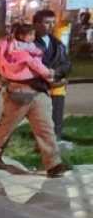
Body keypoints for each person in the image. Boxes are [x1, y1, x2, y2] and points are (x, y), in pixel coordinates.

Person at [0, 23, 70, 178]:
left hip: (38, 94)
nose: (49, 25)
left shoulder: (43, 45)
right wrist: (52, 76)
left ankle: (53, 164)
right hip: (19, 93)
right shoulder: (22, 50)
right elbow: (29, 68)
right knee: (6, 126)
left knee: (45, 128)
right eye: (46, 22)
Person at [33, 9, 72, 142]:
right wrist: (45, 74)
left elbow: (67, 64)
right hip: (36, 88)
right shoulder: (28, 43)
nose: (51, 25)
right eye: (47, 22)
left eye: (53, 22)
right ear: (36, 24)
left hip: (55, 87)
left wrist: (56, 73)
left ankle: (53, 143)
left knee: (55, 118)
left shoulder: (58, 44)